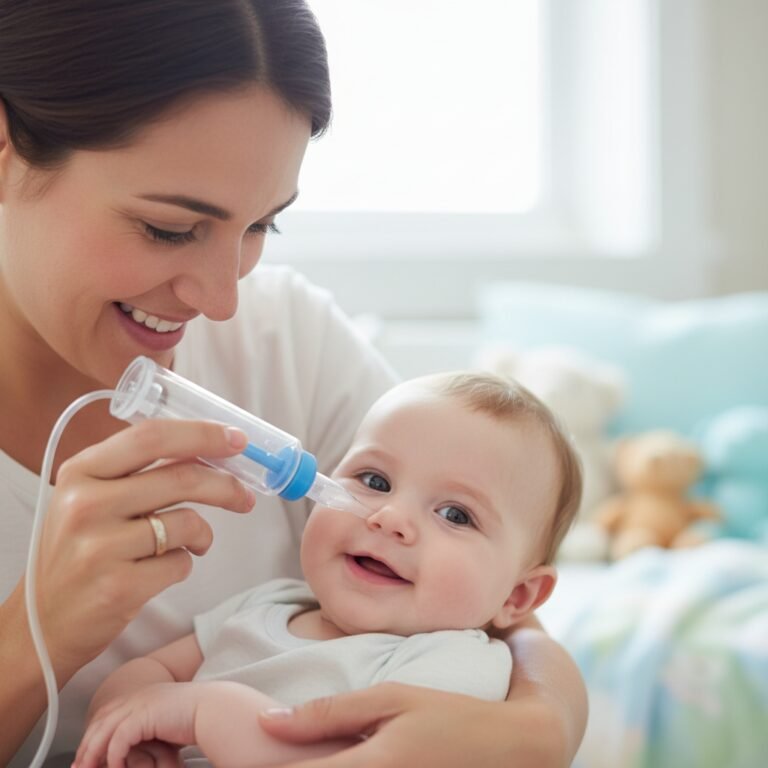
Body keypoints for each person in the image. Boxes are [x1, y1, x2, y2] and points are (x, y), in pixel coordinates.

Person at [0, 1, 587, 766]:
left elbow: (500, 611)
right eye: (170, 228)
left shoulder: (287, 341)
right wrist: (33, 630)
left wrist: (540, 728)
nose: (220, 299)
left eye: (259, 227)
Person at [75, 371, 583, 767]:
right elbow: (156, 671)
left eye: (455, 515)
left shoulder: (454, 662)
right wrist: (122, 721)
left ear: (518, 597)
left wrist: (205, 713)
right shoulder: (270, 603)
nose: (389, 519)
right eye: (374, 480)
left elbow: (356, 761)